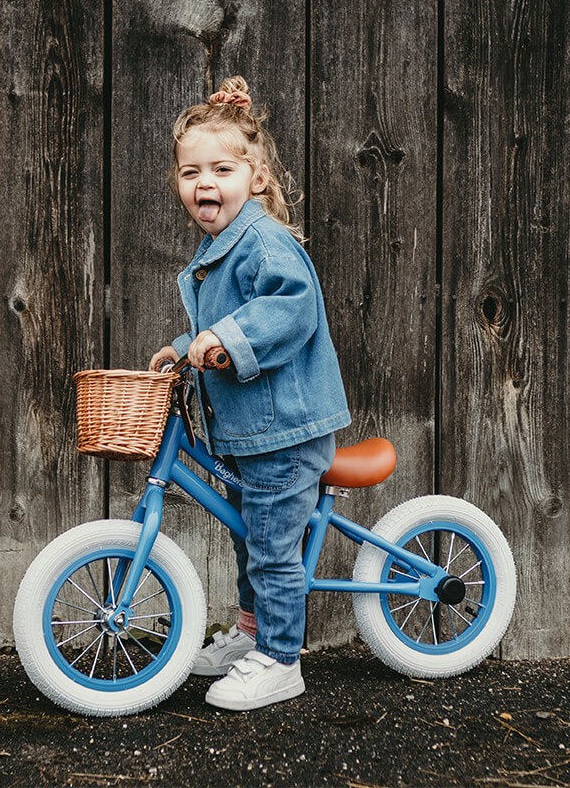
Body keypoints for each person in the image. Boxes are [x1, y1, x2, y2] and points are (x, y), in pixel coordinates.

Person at [149, 76, 351, 711]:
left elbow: (291, 308)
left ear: (255, 178)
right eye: (191, 171)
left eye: (221, 169)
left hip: (285, 432)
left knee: (269, 546)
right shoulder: (217, 248)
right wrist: (187, 346)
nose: (204, 183)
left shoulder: (265, 242)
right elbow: (224, 324)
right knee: (248, 538)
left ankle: (280, 659)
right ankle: (250, 634)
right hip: (251, 433)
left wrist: (220, 341)